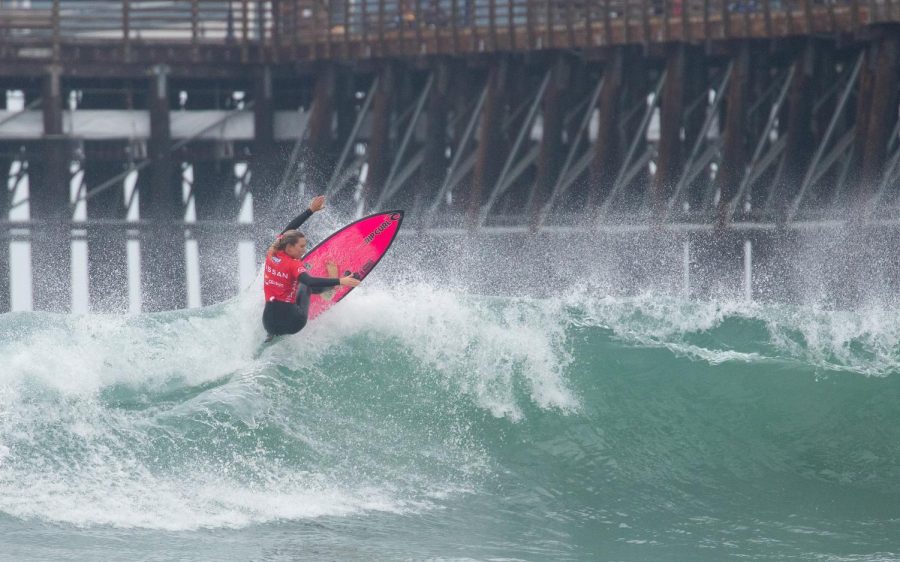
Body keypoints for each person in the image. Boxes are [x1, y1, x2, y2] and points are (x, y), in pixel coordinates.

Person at [262, 195, 360, 340]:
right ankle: (330, 290)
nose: (304, 250)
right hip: (294, 323)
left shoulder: (272, 251)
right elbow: (310, 281)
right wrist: (340, 281)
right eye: (301, 246)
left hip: (268, 324)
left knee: (287, 287)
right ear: (289, 247)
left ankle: (271, 336)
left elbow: (289, 229)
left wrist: (310, 210)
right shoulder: (294, 264)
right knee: (305, 285)